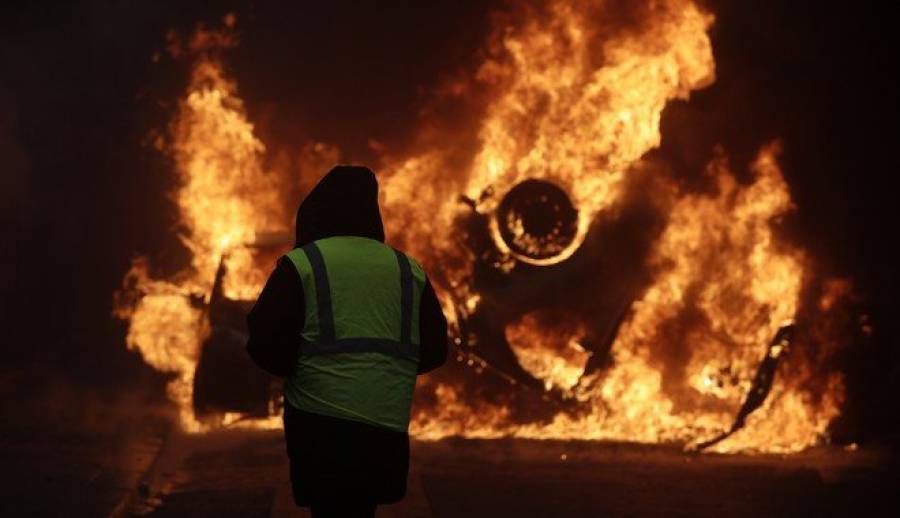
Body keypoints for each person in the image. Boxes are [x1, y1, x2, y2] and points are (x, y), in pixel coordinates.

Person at [246, 165, 448, 517]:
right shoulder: (407, 268)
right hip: (385, 424)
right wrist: (382, 372)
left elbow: (265, 345)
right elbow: (434, 350)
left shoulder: (302, 265)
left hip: (318, 424)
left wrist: (302, 370)